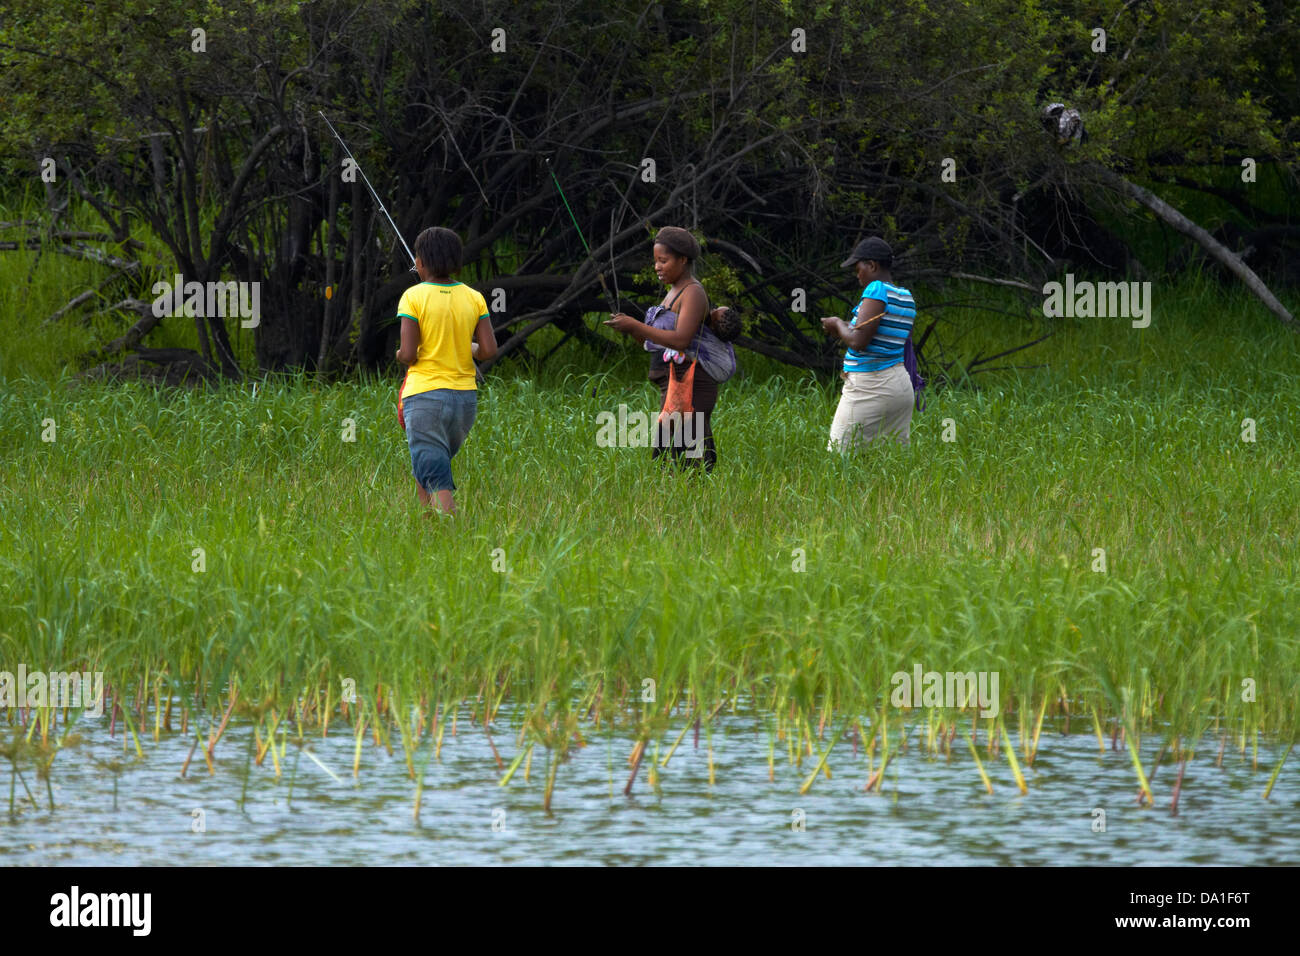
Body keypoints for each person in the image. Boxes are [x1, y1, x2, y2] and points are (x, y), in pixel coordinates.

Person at [604, 226, 733, 471]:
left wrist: (635, 324)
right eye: (656, 261)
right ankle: (677, 502)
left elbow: (681, 340)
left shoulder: (693, 292)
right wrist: (631, 329)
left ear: (683, 260)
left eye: (663, 261)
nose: (657, 267)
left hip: (692, 383)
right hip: (675, 382)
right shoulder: (673, 292)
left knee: (687, 455)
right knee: (669, 450)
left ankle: (696, 503)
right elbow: (652, 344)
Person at [394, 227, 497, 515]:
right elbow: (488, 350)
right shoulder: (474, 297)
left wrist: (397, 353)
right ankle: (427, 525)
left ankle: (451, 530)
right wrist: (469, 348)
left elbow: (408, 354)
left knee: (435, 470)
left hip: (425, 397)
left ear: (421, 263)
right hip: (464, 401)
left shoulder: (412, 297)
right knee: (429, 460)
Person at [820, 237, 916, 450]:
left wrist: (836, 322)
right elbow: (880, 334)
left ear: (872, 265)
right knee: (888, 462)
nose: (857, 276)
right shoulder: (906, 297)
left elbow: (858, 341)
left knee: (839, 456)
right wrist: (843, 329)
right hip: (900, 385)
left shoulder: (876, 290)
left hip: (871, 385)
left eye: (858, 268)